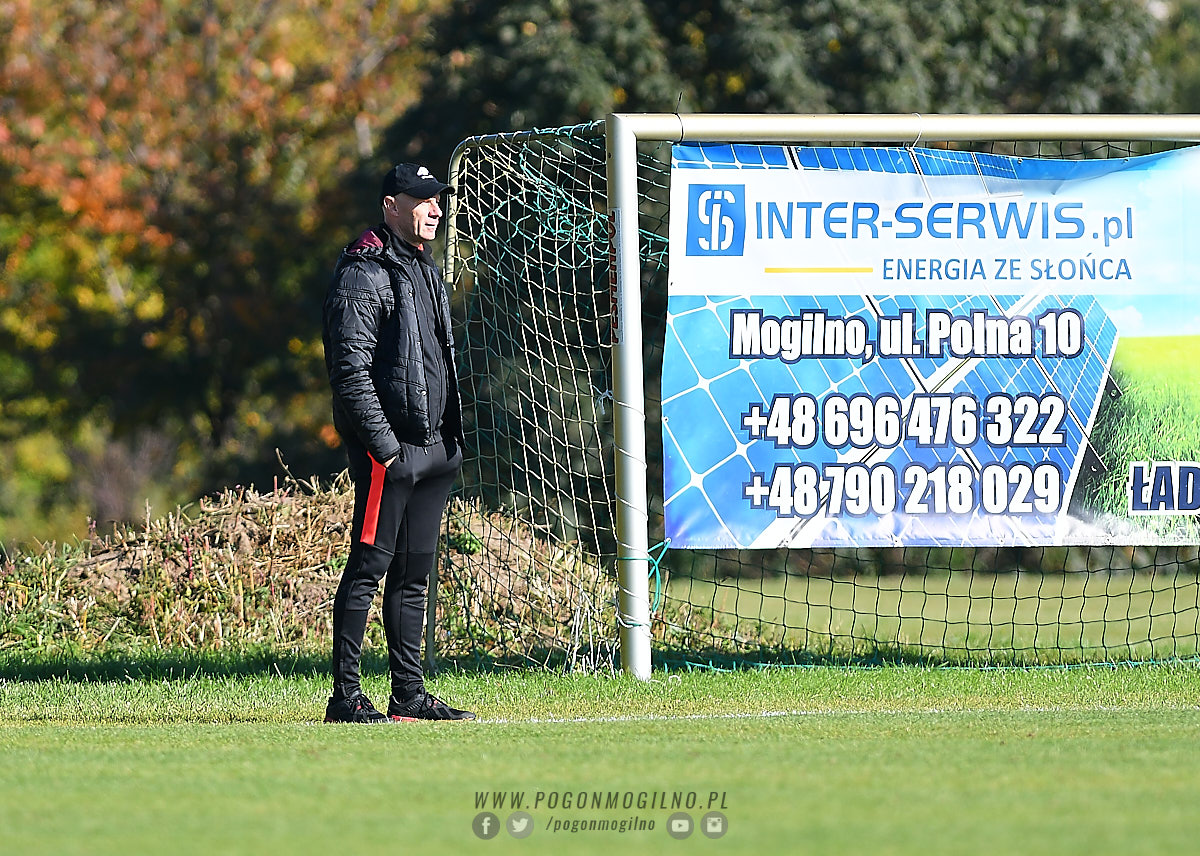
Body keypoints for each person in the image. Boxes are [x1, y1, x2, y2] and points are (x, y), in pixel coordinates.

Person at [320, 162, 474, 722]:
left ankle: (408, 696)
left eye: (437, 199)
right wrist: (385, 447)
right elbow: (349, 372)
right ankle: (345, 698)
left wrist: (449, 443)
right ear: (391, 205)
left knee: (414, 576)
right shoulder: (362, 271)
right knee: (369, 568)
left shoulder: (426, 268)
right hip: (391, 454)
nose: (435, 208)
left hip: (436, 451)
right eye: (421, 199)